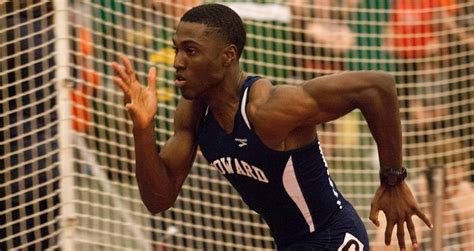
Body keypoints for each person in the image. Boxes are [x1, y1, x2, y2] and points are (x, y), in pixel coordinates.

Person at [111, 3, 432, 250]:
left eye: (191, 51)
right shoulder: (192, 113)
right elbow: (159, 200)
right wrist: (143, 127)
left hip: (333, 236)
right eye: (176, 49)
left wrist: (393, 181)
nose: (178, 61)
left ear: (227, 56)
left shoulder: (267, 108)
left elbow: (378, 87)